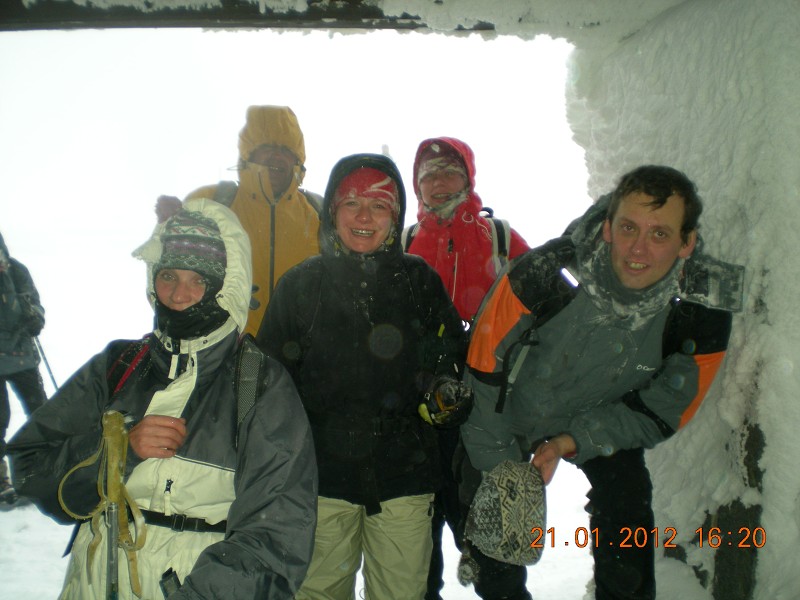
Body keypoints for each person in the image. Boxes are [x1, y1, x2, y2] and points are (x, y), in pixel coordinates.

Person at [8, 198, 318, 599]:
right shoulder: (119, 365)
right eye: (168, 275)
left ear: (225, 287)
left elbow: (277, 532)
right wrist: (117, 451)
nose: (178, 294)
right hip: (94, 581)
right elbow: (31, 469)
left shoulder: (258, 383)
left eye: (198, 279)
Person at [459, 165, 744, 600]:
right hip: (509, 412)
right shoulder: (546, 271)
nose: (638, 248)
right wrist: (501, 471)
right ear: (608, 227)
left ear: (687, 242)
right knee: (495, 536)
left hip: (601, 415)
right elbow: (482, 371)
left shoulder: (702, 309)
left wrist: (574, 440)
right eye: (628, 227)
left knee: (627, 503)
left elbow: (664, 409)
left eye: (660, 234)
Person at [256, 153, 471, 600]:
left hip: (404, 477)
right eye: (351, 203)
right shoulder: (301, 285)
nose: (364, 217)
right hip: (319, 480)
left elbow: (448, 354)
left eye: (378, 205)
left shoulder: (419, 281)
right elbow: (269, 382)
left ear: (396, 216)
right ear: (333, 211)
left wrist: (442, 390)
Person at [404, 137, 531, 600]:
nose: (438, 182)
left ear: (468, 178)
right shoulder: (404, 243)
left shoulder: (500, 238)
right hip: (421, 410)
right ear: (417, 187)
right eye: (428, 175)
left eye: (449, 171)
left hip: (489, 407)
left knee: (492, 535)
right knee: (418, 542)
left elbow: (542, 310)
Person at [185, 105, 321, 337]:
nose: (276, 155)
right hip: (223, 349)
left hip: (299, 353)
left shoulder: (320, 213)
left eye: (286, 149)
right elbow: (166, 280)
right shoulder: (210, 202)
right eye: (266, 146)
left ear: (297, 159)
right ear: (248, 153)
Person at [0, 232, 47, 505]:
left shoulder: (17, 270)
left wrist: (35, 318)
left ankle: (43, 467)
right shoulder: (15, 269)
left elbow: (35, 303)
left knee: (41, 413)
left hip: (22, 357)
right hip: (20, 357)